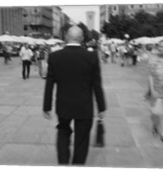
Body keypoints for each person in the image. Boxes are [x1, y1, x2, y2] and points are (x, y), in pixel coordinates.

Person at [43, 26, 106, 165]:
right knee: (82, 141)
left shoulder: (54, 57)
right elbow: (97, 84)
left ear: (66, 36)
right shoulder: (91, 56)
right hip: (84, 107)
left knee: (63, 133)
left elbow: (49, 84)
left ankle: (64, 164)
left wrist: (46, 106)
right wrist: (101, 107)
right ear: (82, 38)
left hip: (63, 105)